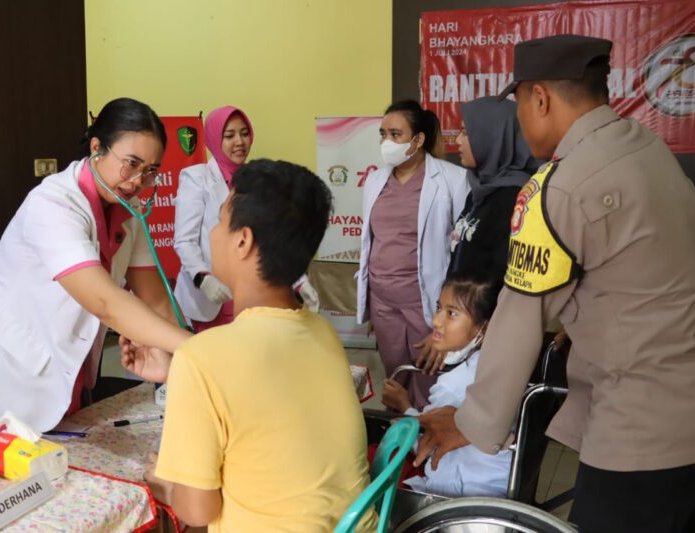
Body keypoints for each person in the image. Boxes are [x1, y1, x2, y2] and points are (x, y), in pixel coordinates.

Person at [414, 35, 695, 533]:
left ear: (540, 98)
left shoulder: (559, 186)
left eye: (520, 103)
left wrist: (468, 422)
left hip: (637, 434)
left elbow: (519, 319)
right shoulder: (649, 150)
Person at [123, 159, 376, 531]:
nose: (212, 234)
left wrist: (165, 485)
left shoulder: (204, 359)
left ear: (242, 241)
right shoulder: (321, 332)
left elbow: (197, 512)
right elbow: (266, 402)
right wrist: (181, 371)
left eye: (219, 220)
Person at [0, 97, 190, 441]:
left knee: (61, 459)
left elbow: (154, 297)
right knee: (12, 469)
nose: (138, 181)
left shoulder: (130, 209)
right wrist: (198, 349)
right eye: (131, 164)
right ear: (97, 148)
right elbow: (105, 302)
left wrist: (182, 361)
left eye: (151, 170)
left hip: (57, 359)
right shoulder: (53, 203)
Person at [357, 99, 469, 408]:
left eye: (396, 134)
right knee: (396, 376)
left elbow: (464, 247)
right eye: (383, 134)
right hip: (383, 301)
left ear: (418, 140)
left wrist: (453, 314)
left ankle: (426, 430)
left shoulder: (452, 179)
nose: (387, 142)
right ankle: (400, 431)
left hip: (427, 299)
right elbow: (371, 241)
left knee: (430, 376)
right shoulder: (375, 181)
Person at [173, 106, 318, 332]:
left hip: (252, 295)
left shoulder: (258, 179)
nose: (239, 142)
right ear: (214, 138)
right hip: (210, 296)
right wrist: (203, 278)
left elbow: (272, 240)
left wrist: (299, 281)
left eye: (244, 133)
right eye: (229, 136)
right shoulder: (196, 178)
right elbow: (185, 241)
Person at [382, 274, 508, 497]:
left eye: (452, 314)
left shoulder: (454, 385)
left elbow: (424, 445)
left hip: (459, 490)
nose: (437, 321)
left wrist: (404, 406)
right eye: (439, 308)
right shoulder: (501, 367)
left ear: (484, 328)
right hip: (500, 481)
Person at [448, 96, 540, 284]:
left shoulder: (515, 199)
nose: (458, 140)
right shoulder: (480, 189)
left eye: (465, 133)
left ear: (494, 138)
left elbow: (501, 277)